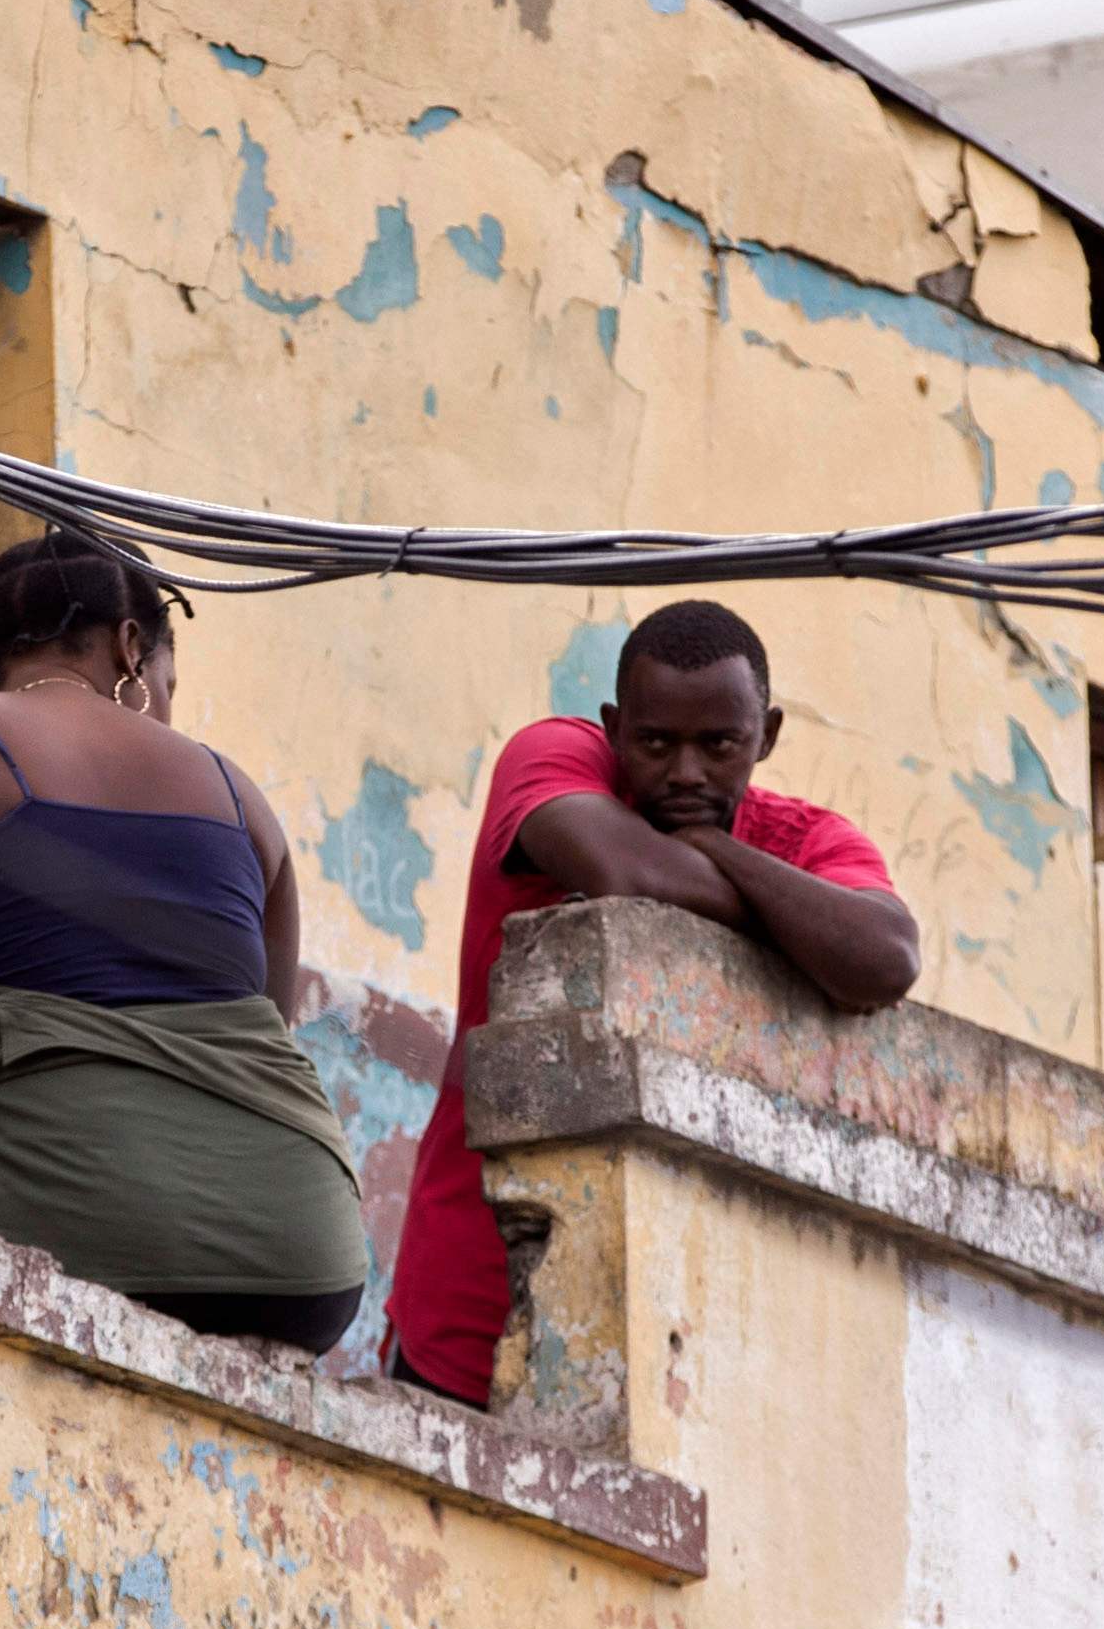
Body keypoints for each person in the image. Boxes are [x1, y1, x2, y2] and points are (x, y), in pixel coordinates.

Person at [0, 527, 370, 1349]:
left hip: (43, 1240)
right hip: (301, 1261)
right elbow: (255, 1051)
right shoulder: (247, 804)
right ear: (132, 646)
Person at [388, 600, 918, 1403]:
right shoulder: (556, 755)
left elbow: (883, 956)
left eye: (719, 744)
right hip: (467, 1313)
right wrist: (785, 916)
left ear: (766, 736)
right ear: (614, 725)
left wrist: (714, 850)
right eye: (656, 742)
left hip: (682, 1357)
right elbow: (628, 873)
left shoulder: (811, 838)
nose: (685, 775)